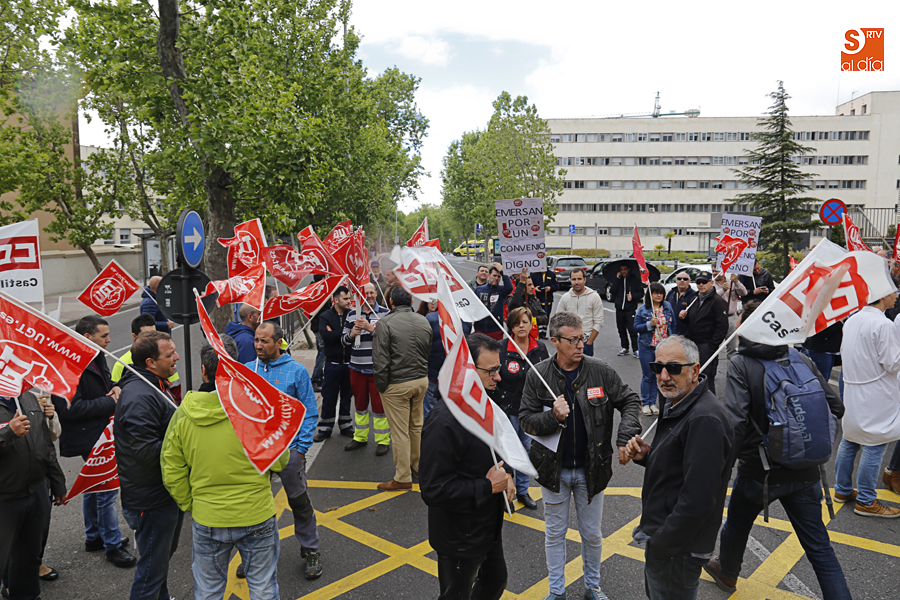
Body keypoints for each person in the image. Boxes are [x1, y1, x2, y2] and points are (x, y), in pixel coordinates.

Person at [702, 300, 851, 599]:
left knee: (737, 525)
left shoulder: (742, 364)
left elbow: (736, 423)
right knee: (820, 548)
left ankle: (728, 574)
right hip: (808, 470)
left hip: (760, 471)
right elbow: (837, 406)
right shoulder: (798, 357)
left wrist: (721, 468)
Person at [519, 312, 642, 600]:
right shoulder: (538, 374)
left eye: (582, 338)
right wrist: (552, 417)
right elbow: (525, 419)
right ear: (555, 341)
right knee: (554, 535)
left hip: (591, 469)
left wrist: (624, 438)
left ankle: (592, 587)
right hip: (553, 471)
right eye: (572, 340)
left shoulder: (600, 370)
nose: (580, 344)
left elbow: (630, 400)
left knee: (592, 534)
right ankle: (556, 592)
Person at [161, 335, 288, 600]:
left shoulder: (184, 415)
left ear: (203, 371)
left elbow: (171, 470)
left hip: (208, 516)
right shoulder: (255, 410)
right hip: (256, 513)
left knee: (208, 592)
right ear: (237, 367)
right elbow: (281, 459)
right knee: (264, 588)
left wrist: (191, 504)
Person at [624, 335, 734, 600]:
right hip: (668, 538)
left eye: (673, 368)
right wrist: (647, 456)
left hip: (678, 548)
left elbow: (698, 498)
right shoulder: (678, 402)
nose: (663, 376)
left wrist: (662, 545)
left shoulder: (705, 419)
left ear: (695, 370)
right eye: (657, 367)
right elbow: (680, 468)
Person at [420, 333, 515, 600]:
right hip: (459, 537)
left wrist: (508, 474)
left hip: (487, 527)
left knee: (496, 580)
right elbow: (433, 489)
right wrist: (487, 486)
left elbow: (498, 453)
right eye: (491, 371)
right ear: (468, 372)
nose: (498, 377)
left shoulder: (487, 404)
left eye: (499, 369)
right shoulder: (444, 422)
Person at [241, 321, 323, 579]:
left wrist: (300, 449)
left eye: (264, 341)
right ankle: (254, 554)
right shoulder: (247, 371)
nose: (258, 345)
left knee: (299, 503)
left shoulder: (297, 372)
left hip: (289, 454)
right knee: (254, 508)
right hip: (256, 455)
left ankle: (311, 549)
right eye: (256, 340)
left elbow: (309, 412)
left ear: (279, 342)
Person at [52, 315, 136, 568]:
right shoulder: (69, 364)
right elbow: (69, 409)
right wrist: (111, 402)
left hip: (100, 432)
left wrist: (115, 387)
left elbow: (103, 384)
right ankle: (112, 545)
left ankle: (94, 536)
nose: (110, 340)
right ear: (87, 337)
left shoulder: (94, 354)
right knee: (107, 488)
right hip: (87, 434)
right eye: (104, 336)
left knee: (94, 484)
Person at [115, 331, 183, 600]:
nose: (176, 357)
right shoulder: (140, 396)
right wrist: (186, 449)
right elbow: (145, 451)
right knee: (152, 567)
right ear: (150, 363)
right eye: (169, 355)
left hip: (163, 492)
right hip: (151, 498)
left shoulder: (155, 385)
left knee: (160, 560)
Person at [834, 288, 900, 517]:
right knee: (875, 444)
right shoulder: (884, 325)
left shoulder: (852, 320)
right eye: (894, 292)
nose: (897, 295)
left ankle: (842, 489)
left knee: (850, 440)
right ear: (882, 296)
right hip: (876, 393)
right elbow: (892, 363)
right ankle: (866, 500)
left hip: (854, 388)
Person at [0, 390, 67, 600]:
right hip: (4, 498)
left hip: (35, 490)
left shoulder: (25, 397)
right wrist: (8, 433)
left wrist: (57, 481)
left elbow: (44, 443)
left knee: (28, 557)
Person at [372, 286, 433, 491]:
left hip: (397, 383)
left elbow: (380, 360)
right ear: (411, 302)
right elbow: (427, 349)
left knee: (399, 433)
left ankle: (402, 476)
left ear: (391, 302)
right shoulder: (423, 320)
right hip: (421, 380)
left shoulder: (385, 323)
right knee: (416, 426)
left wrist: (382, 386)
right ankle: (417, 467)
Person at [491, 307, 549, 510]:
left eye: (525, 322)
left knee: (526, 452)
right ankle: (506, 493)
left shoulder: (540, 347)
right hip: (508, 410)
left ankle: (523, 491)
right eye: (516, 323)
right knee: (506, 453)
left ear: (531, 323)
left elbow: (548, 376)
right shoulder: (501, 347)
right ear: (511, 327)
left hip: (531, 411)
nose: (521, 326)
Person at [342, 282, 391, 455]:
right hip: (356, 367)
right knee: (360, 405)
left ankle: (383, 440)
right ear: (360, 295)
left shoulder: (385, 313)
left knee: (379, 407)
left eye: (371, 292)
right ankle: (360, 437)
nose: (369, 296)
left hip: (377, 369)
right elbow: (344, 341)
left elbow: (388, 340)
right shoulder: (351, 314)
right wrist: (352, 334)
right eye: (365, 293)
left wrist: (370, 329)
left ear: (376, 293)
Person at [314, 285, 354, 441]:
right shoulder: (325, 316)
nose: (349, 301)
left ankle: (345, 425)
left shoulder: (352, 315)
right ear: (335, 300)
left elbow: (354, 335)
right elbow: (325, 336)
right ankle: (325, 428)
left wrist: (337, 333)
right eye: (345, 298)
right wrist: (346, 333)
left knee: (347, 396)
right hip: (332, 363)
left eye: (349, 298)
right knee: (329, 396)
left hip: (349, 363)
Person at [112, 314, 182, 402]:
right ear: (134, 336)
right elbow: (116, 393)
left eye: (154, 333)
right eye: (147, 335)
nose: (152, 338)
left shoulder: (165, 357)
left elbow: (175, 388)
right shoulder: (121, 363)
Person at [681, 271, 728, 395]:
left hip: (706, 345)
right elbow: (692, 321)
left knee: (706, 378)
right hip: (693, 344)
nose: (701, 285)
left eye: (704, 282)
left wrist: (712, 345)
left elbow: (722, 327)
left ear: (711, 283)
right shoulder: (694, 298)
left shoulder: (718, 301)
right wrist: (684, 316)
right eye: (698, 282)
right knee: (693, 376)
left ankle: (710, 408)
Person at [634, 283, 674, 415]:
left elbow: (673, 325)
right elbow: (636, 327)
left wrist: (673, 342)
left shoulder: (667, 307)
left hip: (663, 348)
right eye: (655, 293)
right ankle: (646, 403)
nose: (658, 295)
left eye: (661, 293)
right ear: (650, 295)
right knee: (648, 375)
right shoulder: (643, 309)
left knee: (658, 375)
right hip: (647, 346)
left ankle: (653, 402)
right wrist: (649, 324)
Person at [423, 308, 471, 419]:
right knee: (453, 411)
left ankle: (429, 433)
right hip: (455, 374)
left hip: (434, 373)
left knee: (430, 409)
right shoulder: (465, 321)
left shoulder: (430, 319)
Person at [554, 269, 604, 357]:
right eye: (574, 279)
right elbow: (558, 321)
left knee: (585, 370)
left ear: (584, 280)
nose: (577, 282)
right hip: (568, 342)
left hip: (586, 342)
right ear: (570, 280)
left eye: (579, 279)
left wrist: (589, 342)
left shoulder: (594, 297)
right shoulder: (565, 298)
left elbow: (598, 322)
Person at [609, 263, 642, 357]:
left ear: (629, 269)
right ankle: (625, 347)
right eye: (621, 269)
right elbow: (612, 291)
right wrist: (617, 280)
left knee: (632, 330)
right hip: (619, 309)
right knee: (621, 329)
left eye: (625, 269)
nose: (623, 271)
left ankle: (636, 349)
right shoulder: (618, 280)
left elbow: (641, 293)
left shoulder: (634, 280)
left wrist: (633, 296)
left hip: (630, 310)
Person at [713, 270, 747, 361]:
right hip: (716, 319)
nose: (714, 274)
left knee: (732, 349)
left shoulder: (731, 281)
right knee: (713, 348)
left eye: (716, 271)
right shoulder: (711, 284)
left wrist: (736, 282)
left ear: (723, 271)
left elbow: (744, 293)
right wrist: (722, 290)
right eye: (713, 271)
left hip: (731, 318)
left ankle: (731, 373)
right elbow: (711, 296)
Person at [474, 264, 513, 340]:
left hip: (496, 330)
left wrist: (502, 272)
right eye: (494, 275)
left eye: (499, 276)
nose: (496, 278)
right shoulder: (479, 289)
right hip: (479, 328)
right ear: (489, 275)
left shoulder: (502, 290)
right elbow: (473, 306)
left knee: (495, 351)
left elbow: (509, 287)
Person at [506, 268, 548, 339]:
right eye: (529, 285)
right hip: (516, 338)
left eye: (532, 284)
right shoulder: (512, 299)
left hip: (532, 337)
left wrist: (531, 320)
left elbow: (544, 318)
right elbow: (513, 302)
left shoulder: (535, 300)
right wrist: (522, 282)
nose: (532, 287)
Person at [309, 274, 328, 392]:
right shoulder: (320, 291)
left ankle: (319, 377)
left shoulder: (312, 289)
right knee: (323, 353)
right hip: (319, 326)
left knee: (321, 351)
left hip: (316, 326)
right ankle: (315, 379)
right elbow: (323, 311)